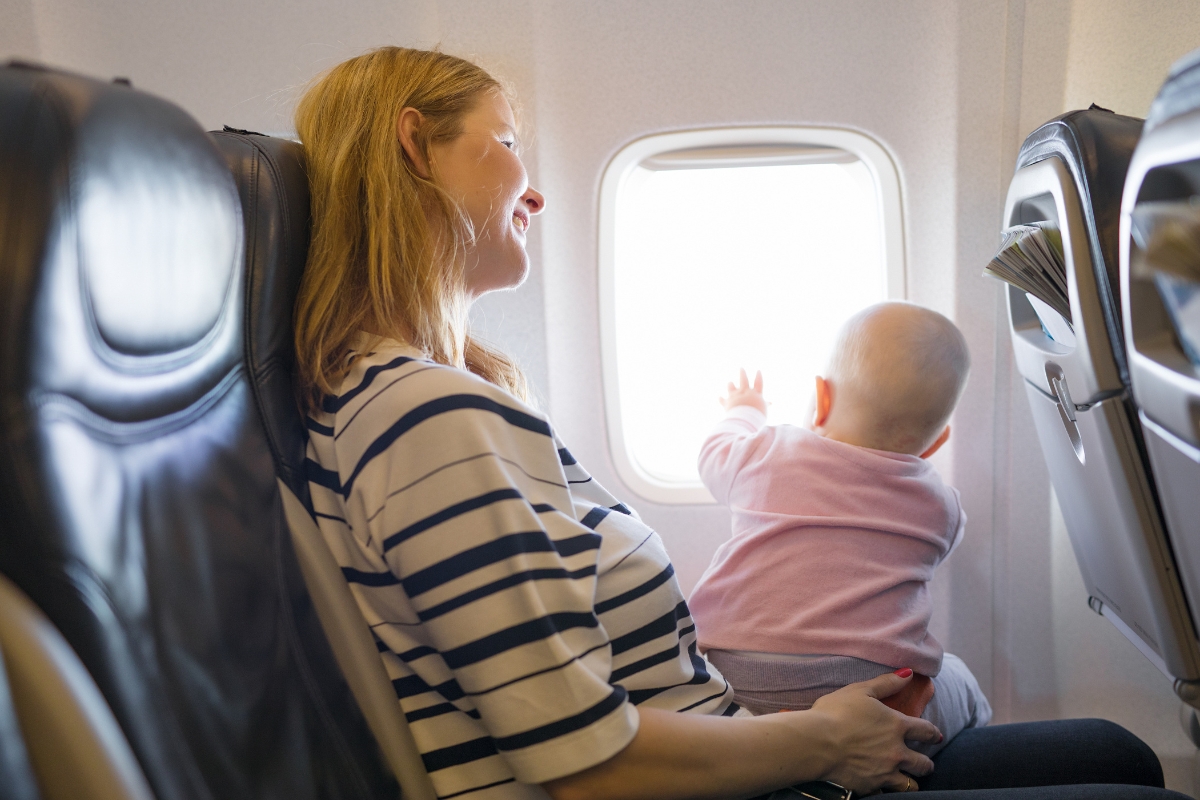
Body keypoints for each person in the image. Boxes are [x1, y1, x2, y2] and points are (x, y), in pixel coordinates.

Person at [293, 46, 1183, 800]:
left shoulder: (426, 400)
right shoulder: (426, 417)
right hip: (731, 781)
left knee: (1119, 754)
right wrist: (825, 741)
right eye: (508, 144)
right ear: (416, 146)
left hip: (737, 746)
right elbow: (581, 765)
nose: (534, 192)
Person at [689, 304, 990, 756]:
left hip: (733, 688)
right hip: (878, 701)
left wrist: (745, 409)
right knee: (960, 679)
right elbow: (942, 546)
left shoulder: (768, 452)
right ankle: (973, 754)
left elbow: (713, 453)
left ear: (821, 398)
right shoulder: (941, 506)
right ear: (937, 442)